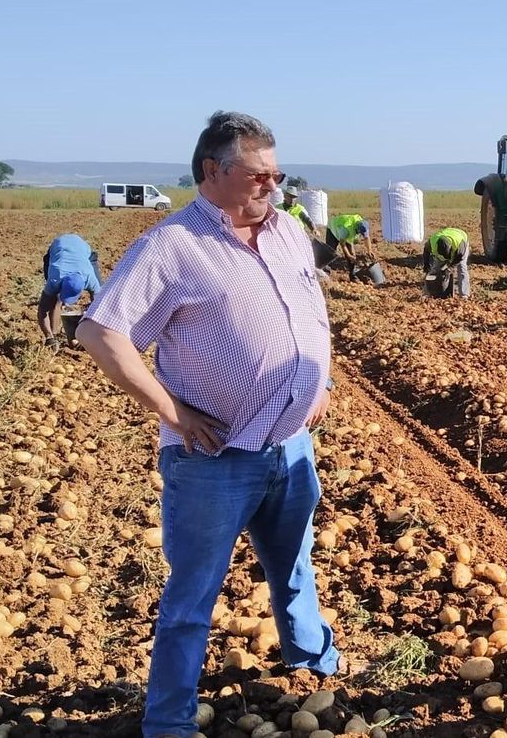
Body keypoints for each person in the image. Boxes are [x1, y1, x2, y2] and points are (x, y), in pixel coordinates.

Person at [75, 112, 340, 738]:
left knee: (295, 565)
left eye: (277, 175)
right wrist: (173, 412)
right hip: (215, 459)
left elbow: (308, 307)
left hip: (290, 445)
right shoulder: (171, 247)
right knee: (192, 597)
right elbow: (99, 331)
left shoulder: (288, 233)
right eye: (257, 176)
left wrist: (318, 381)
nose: (271, 188)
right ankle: (168, 721)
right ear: (211, 172)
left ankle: (314, 664)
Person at [37, 233, 102, 341]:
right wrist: (49, 338)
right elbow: (43, 311)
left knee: (99, 299)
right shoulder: (55, 278)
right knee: (54, 300)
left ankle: (88, 334)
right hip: (59, 248)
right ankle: (54, 335)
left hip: (82, 249)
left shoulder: (90, 279)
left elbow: (99, 305)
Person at [422, 226, 471, 298]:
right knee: (435, 269)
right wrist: (426, 266)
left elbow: (459, 259)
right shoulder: (432, 242)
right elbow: (426, 252)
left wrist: (449, 268)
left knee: (462, 268)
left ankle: (464, 295)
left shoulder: (460, 246)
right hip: (447, 233)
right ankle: (427, 293)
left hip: (461, 237)